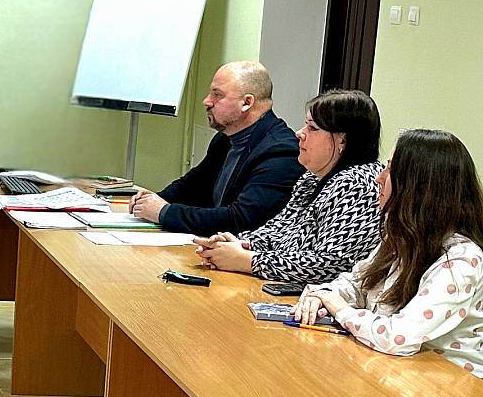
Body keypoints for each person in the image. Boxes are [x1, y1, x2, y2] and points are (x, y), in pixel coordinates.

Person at [294, 129, 483, 377]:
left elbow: (397, 337)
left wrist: (339, 309)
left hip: (447, 387)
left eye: (390, 169)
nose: (379, 178)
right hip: (396, 373)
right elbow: (356, 282)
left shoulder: (461, 260)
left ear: (419, 186)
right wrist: (324, 296)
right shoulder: (403, 238)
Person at [193, 89, 383, 283]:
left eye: (312, 128)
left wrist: (247, 260)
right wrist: (239, 244)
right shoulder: (311, 179)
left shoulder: (360, 184)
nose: (300, 133)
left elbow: (332, 265)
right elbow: (279, 231)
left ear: (343, 140)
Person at [130, 61, 304, 234]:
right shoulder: (225, 138)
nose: (206, 101)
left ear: (246, 102)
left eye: (217, 95)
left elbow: (240, 219)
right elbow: (193, 184)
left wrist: (163, 212)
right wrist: (155, 199)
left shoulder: (281, 152)